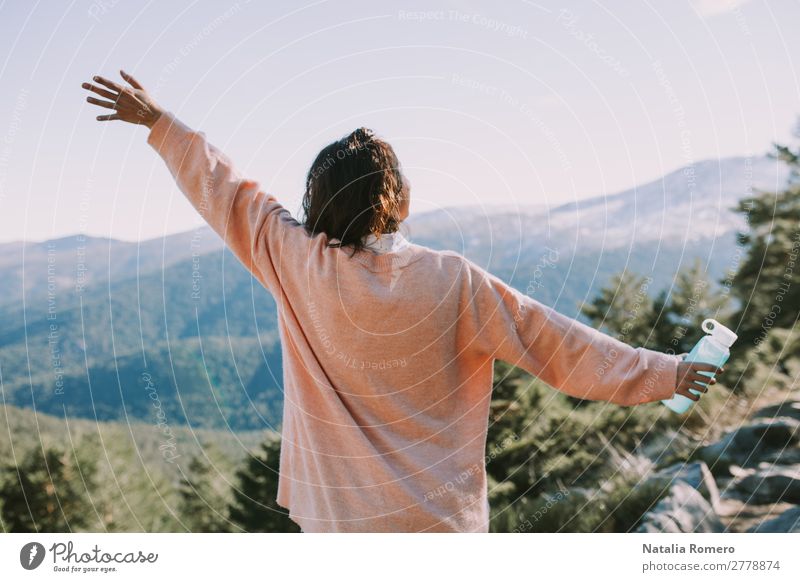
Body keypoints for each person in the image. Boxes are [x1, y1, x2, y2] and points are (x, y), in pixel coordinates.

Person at [82, 71, 723, 533]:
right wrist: (664, 372)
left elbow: (225, 189)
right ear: (398, 202)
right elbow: (556, 344)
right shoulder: (451, 280)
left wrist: (158, 122)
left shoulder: (291, 258)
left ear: (318, 202)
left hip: (340, 523)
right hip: (440, 527)